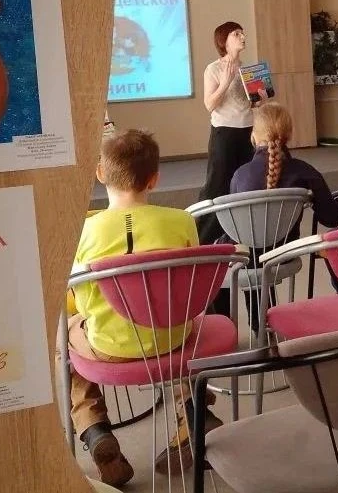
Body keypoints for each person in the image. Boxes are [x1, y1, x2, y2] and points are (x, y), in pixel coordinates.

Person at [68, 130, 223, 485]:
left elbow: (77, 293)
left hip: (110, 347)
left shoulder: (86, 231)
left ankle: (94, 428)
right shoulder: (181, 221)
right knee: (179, 321)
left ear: (100, 173)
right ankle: (193, 409)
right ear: (154, 179)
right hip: (173, 337)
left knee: (65, 342)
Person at [217, 102, 338, 330]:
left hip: (249, 260)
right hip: (285, 253)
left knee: (244, 247)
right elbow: (332, 218)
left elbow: (233, 228)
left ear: (254, 136)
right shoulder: (305, 172)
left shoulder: (240, 175)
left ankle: (244, 325)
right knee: (257, 248)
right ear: (289, 135)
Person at [196, 22, 261, 245]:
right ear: (224, 41)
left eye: (242, 33)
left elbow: (252, 104)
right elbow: (209, 105)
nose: (242, 37)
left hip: (248, 131)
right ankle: (203, 239)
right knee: (217, 184)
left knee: (246, 182)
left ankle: (240, 235)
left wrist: (261, 99)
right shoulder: (213, 69)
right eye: (236, 34)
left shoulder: (248, 69)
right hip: (224, 133)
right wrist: (224, 83)